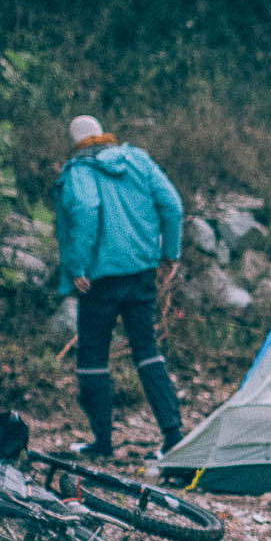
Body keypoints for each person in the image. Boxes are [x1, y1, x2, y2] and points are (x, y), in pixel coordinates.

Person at [53, 114, 185, 459]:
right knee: (148, 351)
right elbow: (172, 205)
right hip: (141, 271)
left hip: (98, 280)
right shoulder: (138, 160)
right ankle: (173, 436)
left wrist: (78, 266)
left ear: (75, 141)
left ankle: (102, 442)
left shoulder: (78, 173)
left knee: (93, 358)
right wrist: (170, 255)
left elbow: (85, 208)